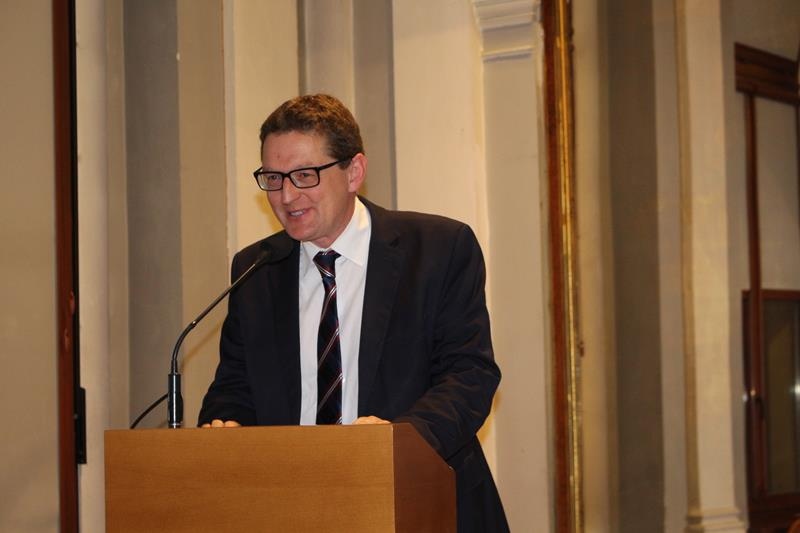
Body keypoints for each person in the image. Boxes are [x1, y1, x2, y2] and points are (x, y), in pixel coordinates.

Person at [199, 94, 508, 532]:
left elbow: (470, 375)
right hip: (295, 510)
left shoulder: (437, 249)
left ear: (354, 172)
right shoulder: (257, 268)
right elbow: (234, 386)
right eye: (273, 178)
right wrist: (226, 426)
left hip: (423, 503)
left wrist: (393, 445)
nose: (286, 196)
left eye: (304, 175)